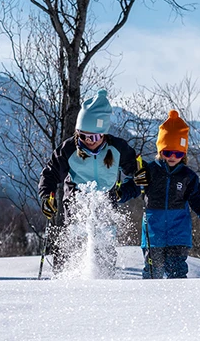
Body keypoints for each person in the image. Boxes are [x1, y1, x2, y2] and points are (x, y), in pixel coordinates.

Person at [37, 89, 140, 272]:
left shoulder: (117, 148)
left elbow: (139, 177)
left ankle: (103, 278)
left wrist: (123, 192)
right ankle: (66, 275)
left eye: (94, 137)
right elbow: (50, 173)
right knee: (76, 240)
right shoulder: (69, 148)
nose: (89, 141)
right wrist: (47, 196)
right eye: (83, 136)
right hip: (77, 200)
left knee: (103, 248)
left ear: (104, 134)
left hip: (105, 201)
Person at [135, 110, 200, 279]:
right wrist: (120, 192)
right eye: (168, 152)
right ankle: (148, 305)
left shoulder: (188, 176)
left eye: (178, 153)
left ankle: (179, 305)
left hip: (178, 234)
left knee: (177, 274)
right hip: (153, 234)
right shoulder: (150, 172)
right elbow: (132, 188)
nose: (173, 157)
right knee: (153, 275)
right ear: (161, 151)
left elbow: (198, 202)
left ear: (184, 154)